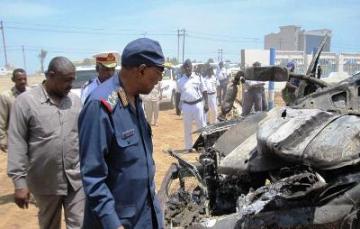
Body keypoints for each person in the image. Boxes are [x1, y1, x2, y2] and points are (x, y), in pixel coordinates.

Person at [78, 38, 165, 229]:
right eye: (157, 74)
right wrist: (112, 223)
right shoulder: (100, 106)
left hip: (145, 214)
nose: (159, 81)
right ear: (141, 70)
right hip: (119, 221)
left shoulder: (131, 98)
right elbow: (92, 176)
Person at [7, 57, 84, 229]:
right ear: (51, 75)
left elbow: (82, 136)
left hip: (75, 179)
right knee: (49, 225)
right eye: (66, 80)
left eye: (73, 80)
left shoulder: (75, 101)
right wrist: (19, 183)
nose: (71, 85)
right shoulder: (26, 102)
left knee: (79, 224)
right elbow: (17, 143)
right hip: (45, 181)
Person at [177, 59, 208, 150]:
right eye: (186, 67)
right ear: (183, 68)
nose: (188, 68)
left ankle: (203, 146)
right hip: (186, 106)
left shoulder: (198, 77)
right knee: (187, 128)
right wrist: (177, 108)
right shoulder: (180, 81)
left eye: (189, 66)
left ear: (192, 67)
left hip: (198, 105)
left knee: (201, 126)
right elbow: (178, 95)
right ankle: (188, 147)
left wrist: (206, 104)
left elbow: (204, 91)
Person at [0, 68, 27, 152]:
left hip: (31, 137)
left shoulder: (32, 93)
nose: (23, 81)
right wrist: (2, 139)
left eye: (24, 79)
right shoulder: (6, 96)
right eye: (19, 79)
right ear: (13, 80)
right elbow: (2, 119)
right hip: (15, 138)